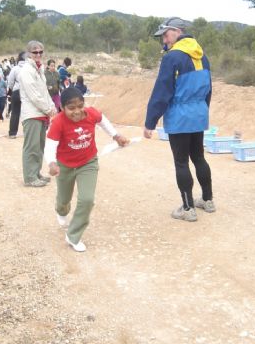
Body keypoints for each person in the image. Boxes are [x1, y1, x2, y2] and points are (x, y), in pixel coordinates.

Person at [143, 17, 214, 222]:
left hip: (179, 116)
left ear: (176, 31)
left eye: (165, 35)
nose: (164, 41)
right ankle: (208, 200)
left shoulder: (172, 57)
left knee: (181, 161)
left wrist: (150, 122)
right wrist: (201, 110)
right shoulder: (202, 55)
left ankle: (188, 208)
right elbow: (208, 89)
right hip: (198, 114)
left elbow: (162, 92)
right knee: (198, 157)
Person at [45, 87, 129, 252]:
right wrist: (52, 163)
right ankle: (61, 211)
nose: (77, 111)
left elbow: (103, 120)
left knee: (87, 199)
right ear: (62, 108)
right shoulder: (58, 122)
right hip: (64, 166)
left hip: (87, 163)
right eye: (71, 108)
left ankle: (73, 235)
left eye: (80, 106)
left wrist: (116, 136)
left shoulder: (91, 113)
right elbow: (50, 145)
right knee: (64, 199)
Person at [19, 40, 57, 187]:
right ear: (29, 53)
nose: (38, 54)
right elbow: (34, 95)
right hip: (32, 114)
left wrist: (52, 106)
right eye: (35, 52)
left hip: (41, 114)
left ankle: (36, 173)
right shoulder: (27, 71)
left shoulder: (39, 69)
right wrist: (48, 109)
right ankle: (29, 177)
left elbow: (44, 92)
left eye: (41, 51)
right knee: (32, 146)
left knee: (39, 146)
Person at [7, 51, 26, 138]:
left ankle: (12, 133)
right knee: (27, 112)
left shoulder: (15, 68)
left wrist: (12, 88)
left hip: (16, 90)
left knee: (15, 112)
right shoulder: (29, 68)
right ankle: (27, 131)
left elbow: (10, 82)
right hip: (27, 92)